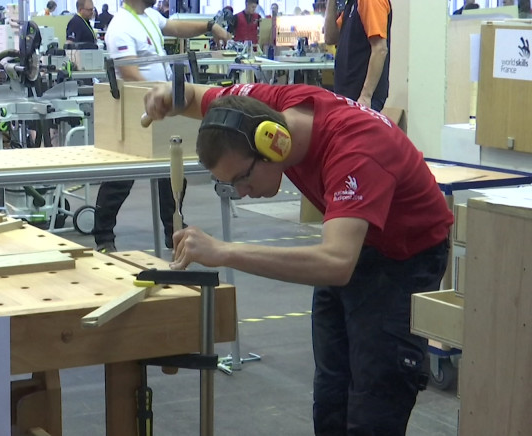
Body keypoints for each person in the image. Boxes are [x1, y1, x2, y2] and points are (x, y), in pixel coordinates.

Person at [143, 81, 452, 435]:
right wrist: (170, 95)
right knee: (331, 395)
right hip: (352, 242)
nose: (240, 193)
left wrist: (224, 251)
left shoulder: (356, 150)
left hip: (404, 258)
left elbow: (336, 263)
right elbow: (198, 96)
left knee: (375, 401)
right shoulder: (266, 110)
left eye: (241, 179)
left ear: (274, 144)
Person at [97, 0, 231, 253]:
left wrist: (209, 25)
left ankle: (173, 230)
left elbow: (176, 27)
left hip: (164, 103)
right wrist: (156, 97)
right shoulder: (120, 26)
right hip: (139, 104)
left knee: (172, 169)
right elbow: (128, 72)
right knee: (121, 176)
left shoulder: (149, 15)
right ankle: (103, 237)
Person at [324, 0, 391, 112]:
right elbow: (330, 37)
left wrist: (366, 96)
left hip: (361, 99)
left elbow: (380, 49)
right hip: (348, 96)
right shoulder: (352, 4)